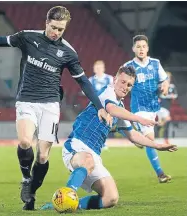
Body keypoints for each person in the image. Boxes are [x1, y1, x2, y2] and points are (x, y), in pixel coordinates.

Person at [0, 6, 112, 210]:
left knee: (43, 156)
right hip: (26, 100)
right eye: (53, 27)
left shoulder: (68, 52)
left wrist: (99, 106)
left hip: (51, 105)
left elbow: (83, 82)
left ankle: (32, 193)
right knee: (25, 141)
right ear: (46, 23)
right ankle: (26, 179)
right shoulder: (27, 37)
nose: (56, 32)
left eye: (61, 29)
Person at [40, 65, 177, 211]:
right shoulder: (107, 92)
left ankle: (64, 206)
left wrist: (157, 145)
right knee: (87, 160)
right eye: (123, 82)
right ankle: (64, 199)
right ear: (115, 79)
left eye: (129, 85)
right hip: (76, 146)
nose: (125, 87)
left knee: (110, 198)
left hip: (94, 155)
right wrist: (139, 119)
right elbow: (111, 109)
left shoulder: (120, 107)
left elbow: (132, 135)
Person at [124, 35, 171, 183]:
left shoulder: (156, 64)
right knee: (151, 140)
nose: (141, 49)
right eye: (138, 47)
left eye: (143, 46)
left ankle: (137, 138)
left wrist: (165, 86)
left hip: (153, 108)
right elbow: (119, 82)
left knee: (146, 140)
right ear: (133, 49)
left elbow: (165, 80)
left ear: (147, 48)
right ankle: (160, 174)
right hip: (139, 109)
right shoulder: (129, 66)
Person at [156, 72, 178, 144]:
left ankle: (158, 130)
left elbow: (175, 95)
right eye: (166, 77)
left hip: (167, 107)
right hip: (161, 106)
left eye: (169, 77)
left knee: (163, 122)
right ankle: (165, 138)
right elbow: (158, 95)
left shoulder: (172, 86)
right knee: (168, 120)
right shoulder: (160, 86)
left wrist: (172, 96)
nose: (168, 79)